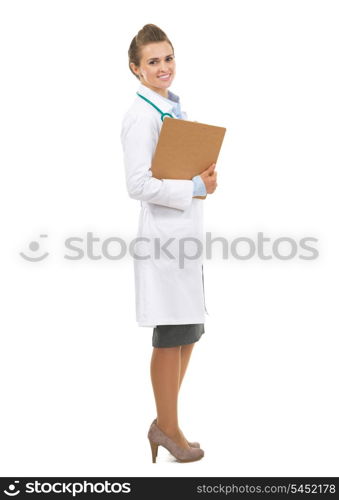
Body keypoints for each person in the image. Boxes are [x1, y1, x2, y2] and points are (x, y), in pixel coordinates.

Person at [120, 24, 217, 463]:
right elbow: (138, 184)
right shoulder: (140, 116)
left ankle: (166, 423)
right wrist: (193, 185)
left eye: (168, 58)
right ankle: (168, 428)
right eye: (153, 61)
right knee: (170, 333)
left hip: (184, 240)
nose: (163, 67)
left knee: (190, 330)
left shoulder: (171, 110)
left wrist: (201, 182)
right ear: (136, 69)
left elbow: (175, 171)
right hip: (164, 242)